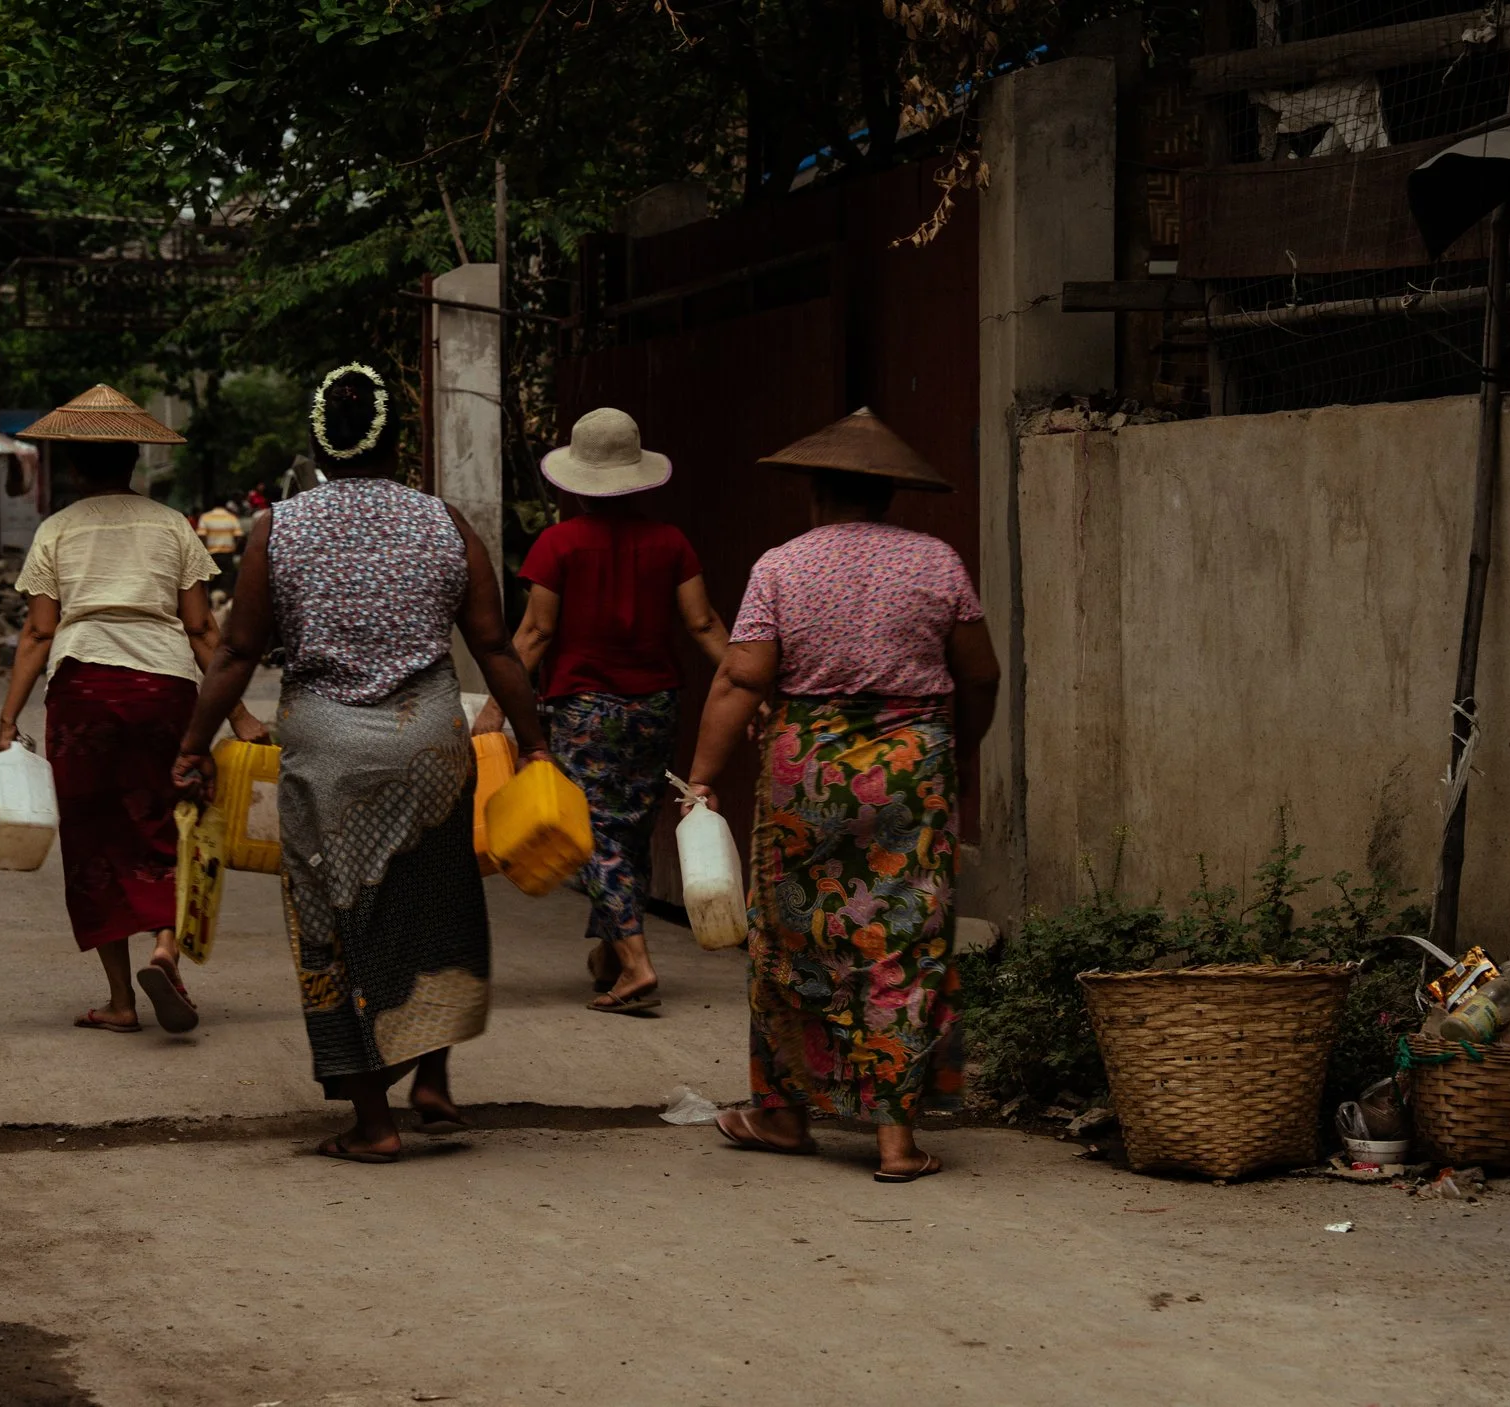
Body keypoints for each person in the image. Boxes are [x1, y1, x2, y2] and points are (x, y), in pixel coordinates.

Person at [173, 360, 551, 1165]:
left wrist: (191, 744)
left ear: (318, 441)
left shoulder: (280, 528)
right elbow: (494, 644)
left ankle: (374, 1120)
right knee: (433, 903)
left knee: (337, 926)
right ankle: (436, 1079)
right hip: (429, 750)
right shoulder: (446, 523)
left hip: (328, 758)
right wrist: (538, 744)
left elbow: (239, 650)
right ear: (397, 442)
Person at [684, 409, 1000, 1183]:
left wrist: (700, 780)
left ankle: (786, 1113)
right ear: (889, 493)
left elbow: (741, 676)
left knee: (792, 934)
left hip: (806, 770)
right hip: (910, 767)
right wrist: (956, 750)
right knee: (904, 937)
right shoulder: (939, 563)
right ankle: (896, 1140)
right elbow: (981, 672)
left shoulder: (783, 566)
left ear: (816, 490)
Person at [0, 384, 269, 1037]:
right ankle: (166, 946)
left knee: (94, 840)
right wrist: (239, 717)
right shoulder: (171, 525)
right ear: (134, 462)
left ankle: (121, 1001)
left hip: (83, 690)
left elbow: (37, 634)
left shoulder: (56, 530)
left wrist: (8, 719)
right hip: (164, 692)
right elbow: (205, 631)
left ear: (73, 467)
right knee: (169, 820)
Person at [472, 407, 727, 1015]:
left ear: (573, 481)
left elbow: (532, 634)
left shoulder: (558, 544)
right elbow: (703, 622)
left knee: (593, 837)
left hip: (585, 713)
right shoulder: (671, 543)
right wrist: (748, 681)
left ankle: (636, 965)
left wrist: (492, 710)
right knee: (631, 832)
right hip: (656, 709)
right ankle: (610, 955)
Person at [196, 498, 244, 593]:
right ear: (225, 505)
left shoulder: (205, 517)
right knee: (227, 581)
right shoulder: (231, 517)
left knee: (212, 581)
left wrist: (204, 550)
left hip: (211, 555)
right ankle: (225, 601)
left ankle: (212, 603)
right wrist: (235, 548)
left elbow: (201, 535)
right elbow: (239, 536)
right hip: (227, 555)